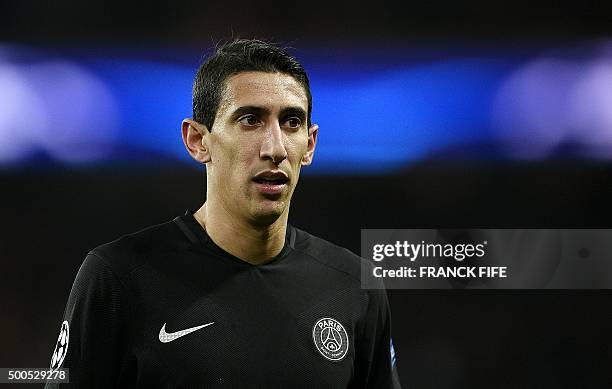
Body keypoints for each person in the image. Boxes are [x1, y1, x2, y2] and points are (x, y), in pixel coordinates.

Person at [45, 39, 401, 388]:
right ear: (198, 141)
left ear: (309, 145)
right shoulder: (118, 279)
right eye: (250, 119)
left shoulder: (353, 286)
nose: (275, 148)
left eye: (291, 122)